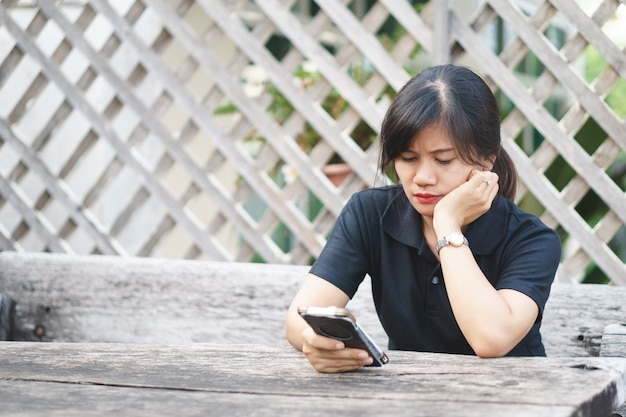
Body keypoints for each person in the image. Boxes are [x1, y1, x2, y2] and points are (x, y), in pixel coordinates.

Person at [285, 64, 561, 373]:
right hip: (410, 398)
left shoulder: (531, 239)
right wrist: (317, 342)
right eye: (408, 158)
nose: (422, 178)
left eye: (443, 160)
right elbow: (299, 317)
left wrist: (447, 224)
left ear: (487, 162)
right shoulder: (370, 213)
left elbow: (491, 339)